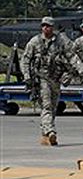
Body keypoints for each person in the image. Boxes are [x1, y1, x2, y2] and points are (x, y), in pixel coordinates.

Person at [19, 16, 76, 146]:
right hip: (41, 78)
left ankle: (45, 135)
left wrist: (75, 71)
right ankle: (51, 131)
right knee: (47, 106)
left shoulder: (60, 41)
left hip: (55, 79)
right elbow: (25, 60)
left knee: (54, 107)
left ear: (53, 27)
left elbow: (71, 56)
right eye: (44, 26)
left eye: (48, 26)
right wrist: (27, 77)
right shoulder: (35, 42)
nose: (46, 28)